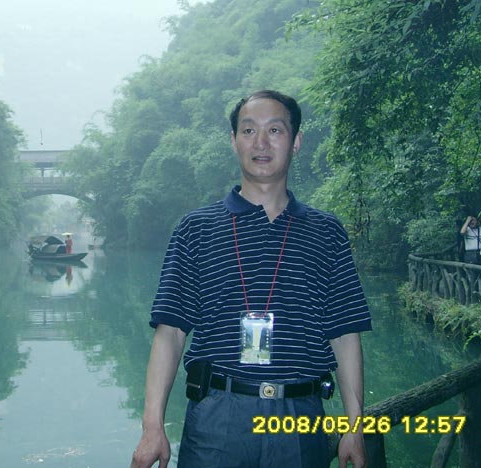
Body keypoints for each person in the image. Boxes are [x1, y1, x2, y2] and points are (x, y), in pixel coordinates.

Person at [130, 90, 372, 468]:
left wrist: (355, 427)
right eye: (248, 130)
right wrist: (151, 426)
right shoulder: (196, 229)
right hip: (217, 417)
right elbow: (171, 332)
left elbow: (344, 334)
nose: (261, 142)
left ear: (296, 141)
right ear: (233, 141)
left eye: (275, 130)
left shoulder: (327, 232)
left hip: (300, 416)